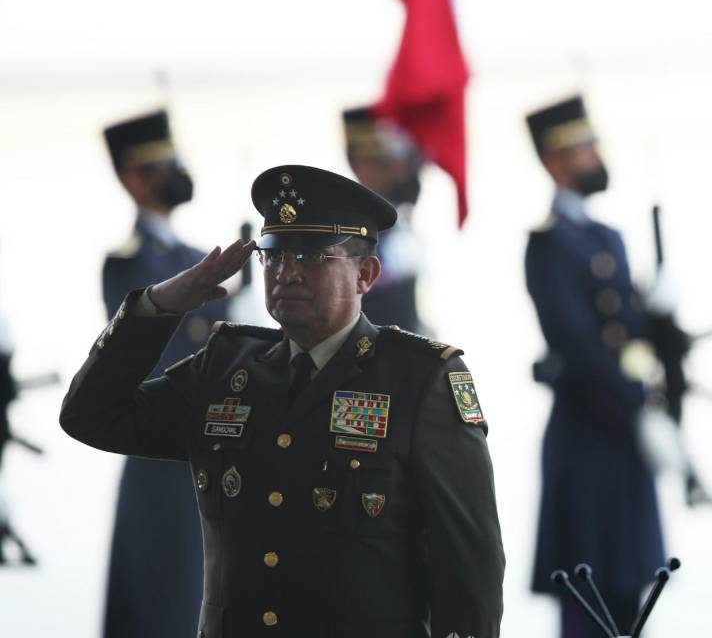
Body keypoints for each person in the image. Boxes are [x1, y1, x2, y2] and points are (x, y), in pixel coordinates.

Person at [61, 164, 505, 637]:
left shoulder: (421, 380)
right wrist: (159, 305)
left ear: (365, 274)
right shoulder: (225, 369)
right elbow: (92, 416)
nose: (287, 273)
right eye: (273, 257)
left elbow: (469, 571)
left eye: (312, 256)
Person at [524, 95, 665, 637]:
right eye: (583, 148)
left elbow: (629, 332)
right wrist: (634, 404)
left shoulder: (606, 237)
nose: (594, 157)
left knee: (632, 594)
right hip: (588, 432)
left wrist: (662, 323)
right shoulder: (549, 244)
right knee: (588, 597)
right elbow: (578, 343)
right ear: (554, 160)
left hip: (623, 436)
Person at [98, 109, 228, 638]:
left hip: (203, 449)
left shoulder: (197, 257)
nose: (175, 173)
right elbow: (154, 349)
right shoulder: (127, 263)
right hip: (159, 451)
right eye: (160, 165)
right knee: (158, 599)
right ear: (132, 177)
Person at [343, 106, 426, 332]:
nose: (396, 172)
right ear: (360, 165)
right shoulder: (346, 227)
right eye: (382, 164)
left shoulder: (400, 218)